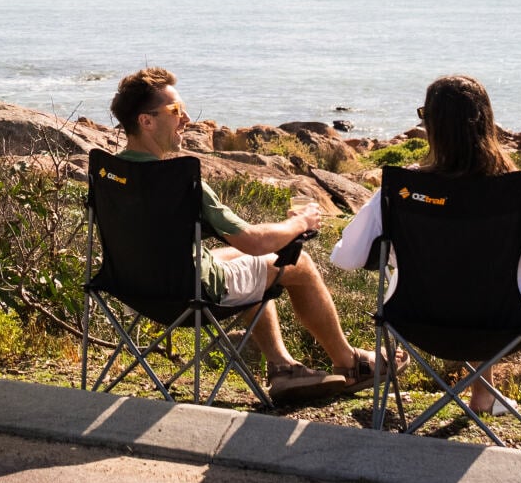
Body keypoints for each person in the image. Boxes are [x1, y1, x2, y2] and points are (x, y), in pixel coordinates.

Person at [108, 67, 376, 398]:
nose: (187, 118)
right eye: (176, 111)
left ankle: (283, 367)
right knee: (297, 263)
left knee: (254, 266)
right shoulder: (179, 180)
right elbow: (251, 241)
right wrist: (301, 223)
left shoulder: (109, 171)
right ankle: (351, 364)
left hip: (132, 288)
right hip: (189, 294)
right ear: (146, 121)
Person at [329, 73, 521, 413]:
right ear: (487, 124)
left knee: (462, 276)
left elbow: (346, 258)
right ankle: (484, 397)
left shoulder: (401, 191)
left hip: (416, 321)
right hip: (504, 325)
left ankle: (483, 396)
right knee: (481, 282)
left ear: (430, 126)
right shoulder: (515, 195)